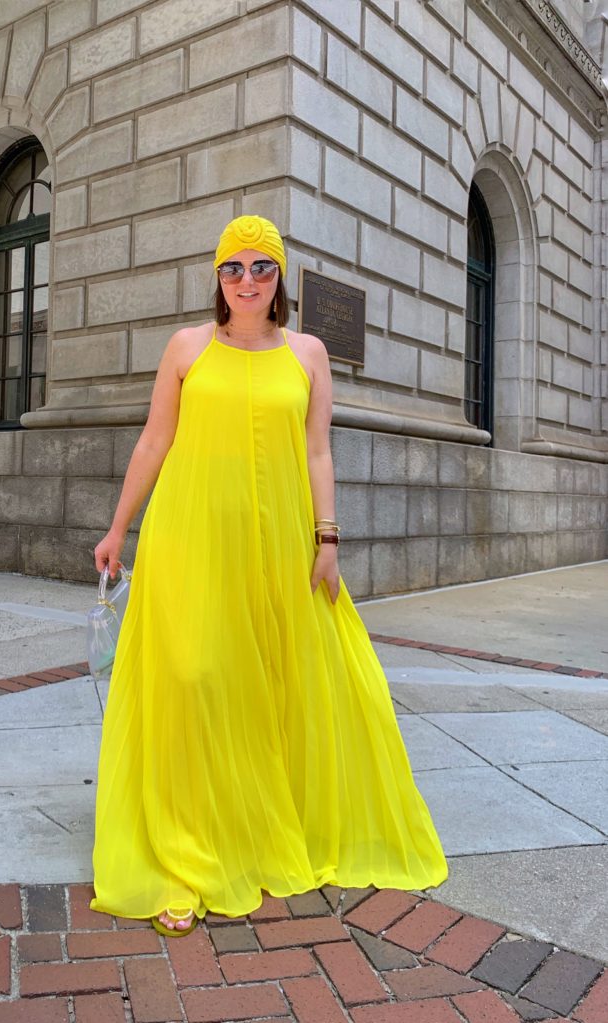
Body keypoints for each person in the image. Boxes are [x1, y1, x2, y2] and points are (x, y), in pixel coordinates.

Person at [91, 215, 447, 937]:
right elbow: (157, 436)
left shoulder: (309, 354)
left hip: (283, 542)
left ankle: (256, 830)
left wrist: (328, 539)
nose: (247, 280)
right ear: (217, 278)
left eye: (262, 267)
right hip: (191, 535)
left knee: (280, 685)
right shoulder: (188, 346)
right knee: (192, 679)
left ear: (280, 277)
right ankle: (186, 857)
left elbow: (318, 452)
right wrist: (118, 526)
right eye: (233, 268)